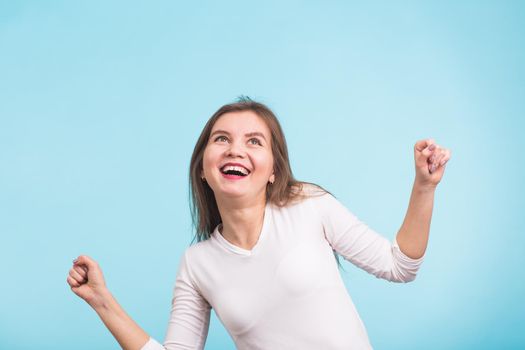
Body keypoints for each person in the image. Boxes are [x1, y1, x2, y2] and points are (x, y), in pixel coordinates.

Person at [67, 97, 451, 350]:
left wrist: (424, 186)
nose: (236, 149)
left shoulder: (309, 206)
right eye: (222, 139)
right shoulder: (198, 263)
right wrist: (102, 301)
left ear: (273, 170)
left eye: (254, 141)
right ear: (203, 168)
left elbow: (399, 265)